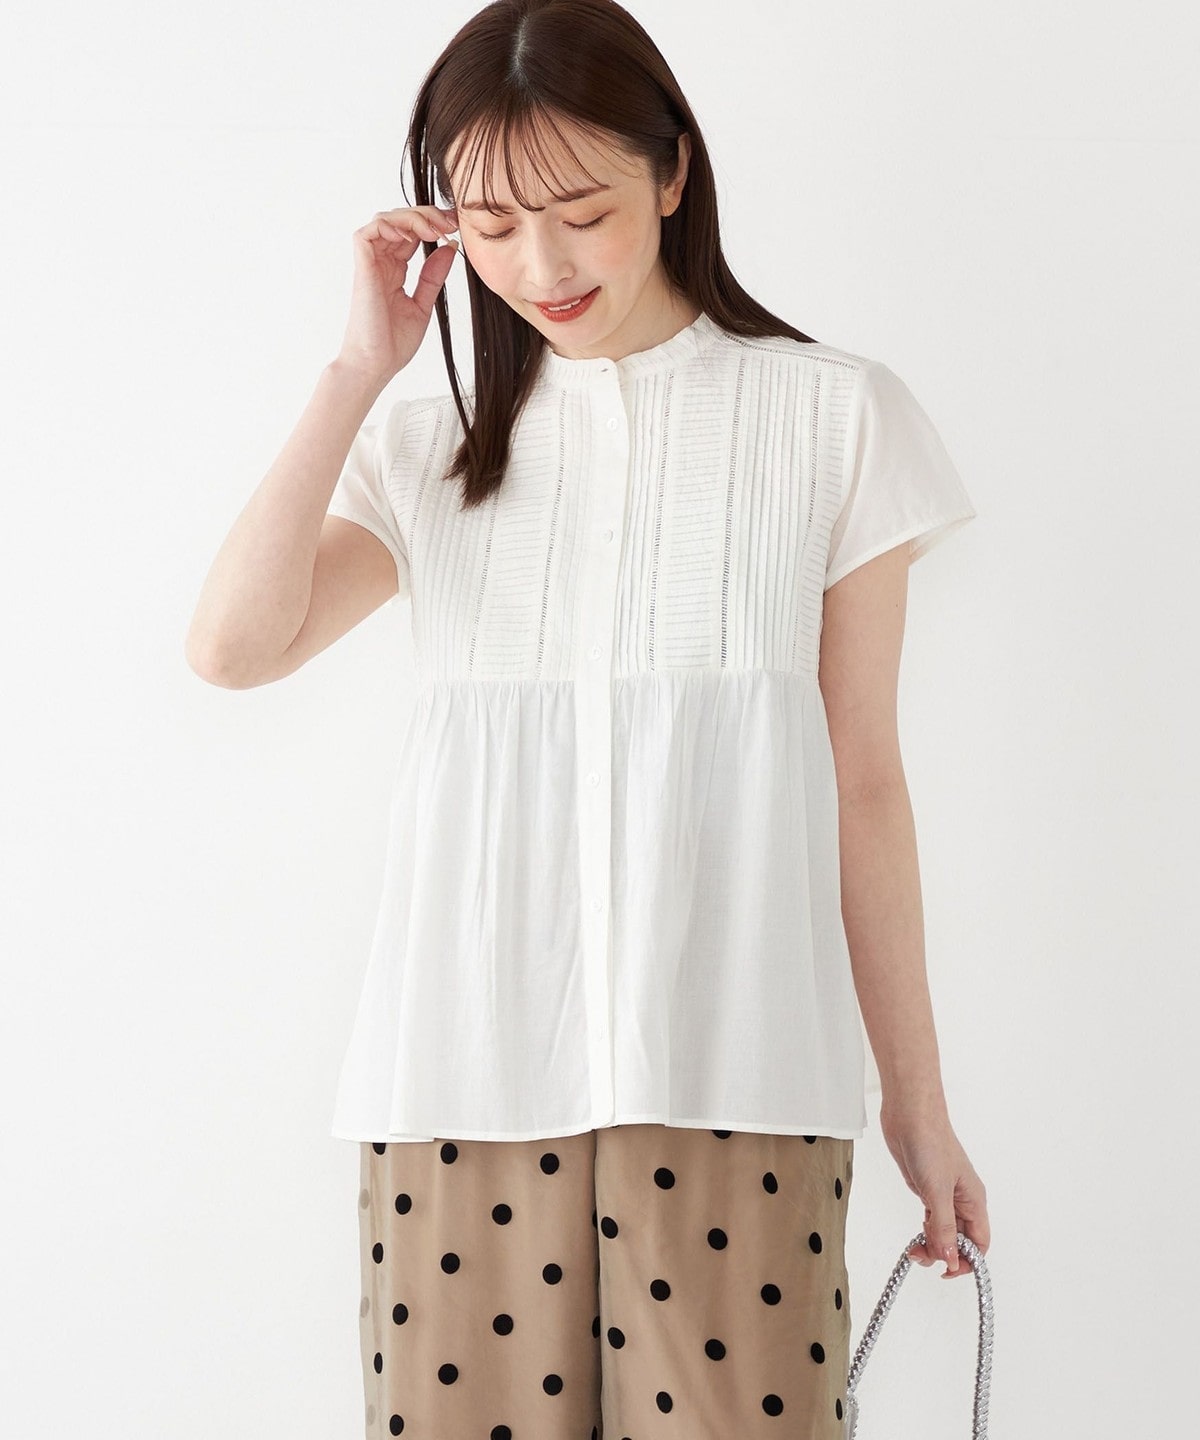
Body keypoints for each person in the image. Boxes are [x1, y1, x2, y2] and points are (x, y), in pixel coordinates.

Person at [185, 1, 991, 1435]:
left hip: (741, 1074)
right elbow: (233, 649)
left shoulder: (834, 418)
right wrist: (359, 370)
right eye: (492, 225)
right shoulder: (431, 442)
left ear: (672, 175)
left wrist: (915, 1108)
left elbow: (864, 778)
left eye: (582, 214)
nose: (542, 268)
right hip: (461, 1083)